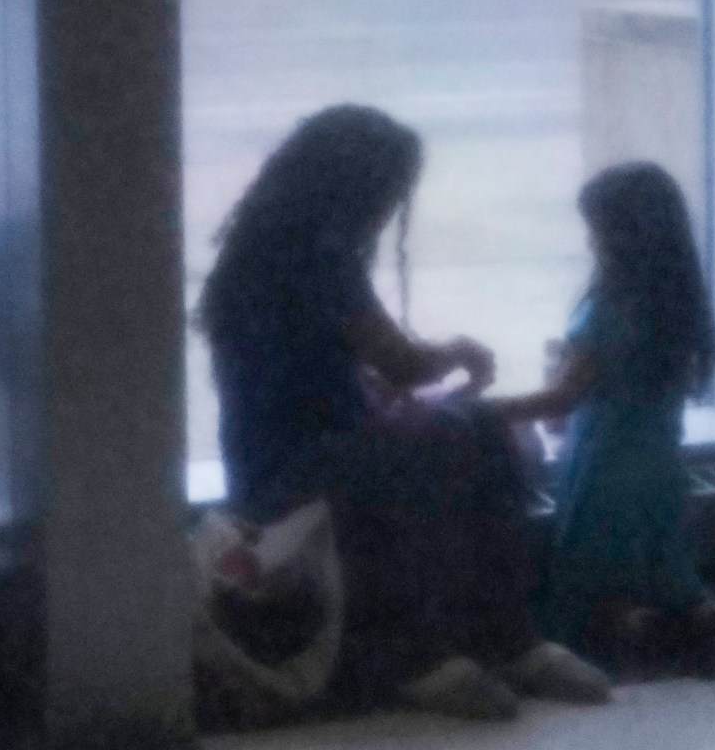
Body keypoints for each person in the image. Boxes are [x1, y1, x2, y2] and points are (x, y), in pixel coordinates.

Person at [199, 105, 610, 721]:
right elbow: (402, 363)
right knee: (457, 433)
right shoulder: (322, 255)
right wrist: (459, 355)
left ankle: (496, 640)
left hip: (280, 464)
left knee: (465, 428)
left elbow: (319, 373)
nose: (391, 211)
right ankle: (450, 647)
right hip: (298, 472)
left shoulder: (260, 251)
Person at [494, 163, 715, 674]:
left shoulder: (604, 312)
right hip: (663, 472)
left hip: (603, 473)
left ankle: (633, 629)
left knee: (596, 586)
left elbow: (561, 401)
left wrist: (483, 411)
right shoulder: (677, 309)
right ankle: (710, 619)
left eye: (595, 231)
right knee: (673, 577)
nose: (590, 243)